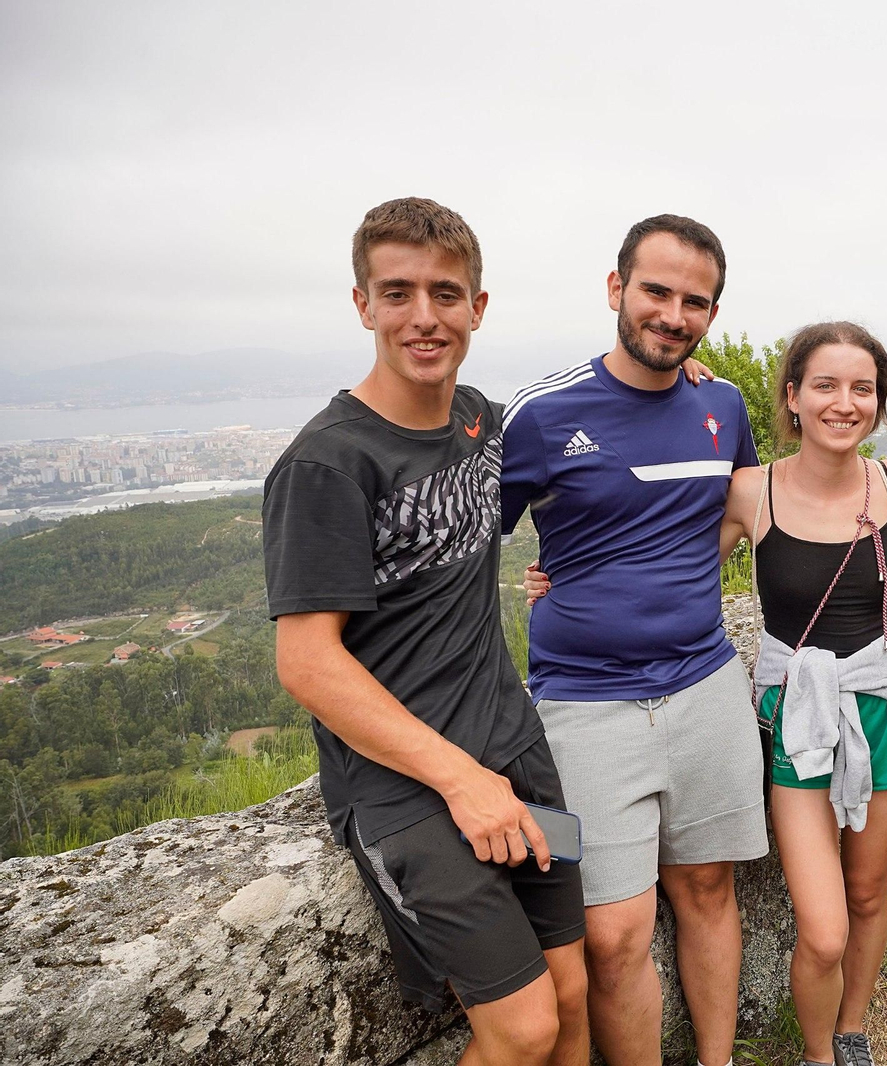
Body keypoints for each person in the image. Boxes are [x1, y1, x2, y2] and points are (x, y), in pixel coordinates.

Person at [265, 197, 587, 1066]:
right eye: (397, 291)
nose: (423, 317)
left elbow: (592, 431)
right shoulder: (328, 463)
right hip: (410, 789)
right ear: (363, 302)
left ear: (478, 308)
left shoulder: (478, 419)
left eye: (446, 294)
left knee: (575, 990)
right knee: (522, 1030)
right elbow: (305, 662)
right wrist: (460, 781)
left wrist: (686, 376)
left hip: (516, 751)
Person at [499, 215, 766, 1066]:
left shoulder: (723, 404)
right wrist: (541, 585)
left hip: (706, 687)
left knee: (708, 889)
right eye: (656, 291)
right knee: (612, 934)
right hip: (583, 706)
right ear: (616, 290)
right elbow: (469, 553)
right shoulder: (542, 413)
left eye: (696, 301)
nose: (674, 314)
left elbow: (741, 509)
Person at [718, 322, 887, 1066]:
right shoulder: (754, 491)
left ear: (878, 404)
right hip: (799, 717)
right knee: (823, 928)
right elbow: (670, 568)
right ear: (791, 396)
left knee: (869, 893)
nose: (844, 403)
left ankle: (850, 1031)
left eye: (862, 389)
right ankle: (818, 1055)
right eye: (825, 385)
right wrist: (559, 580)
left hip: (882, 708)